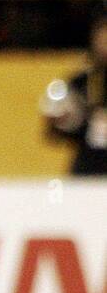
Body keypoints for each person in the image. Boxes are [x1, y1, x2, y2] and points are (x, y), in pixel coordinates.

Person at [41, 11, 107, 176]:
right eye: (102, 38)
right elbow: (54, 130)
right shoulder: (78, 82)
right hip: (90, 164)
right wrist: (65, 125)